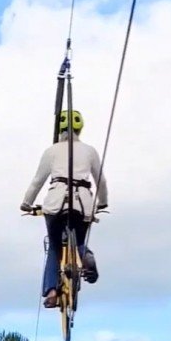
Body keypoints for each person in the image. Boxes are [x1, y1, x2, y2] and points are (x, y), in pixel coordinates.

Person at [20, 110, 108, 308]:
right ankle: (85, 256)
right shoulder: (90, 151)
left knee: (54, 245)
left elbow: (37, 181)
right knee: (80, 239)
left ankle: (51, 291)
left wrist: (26, 203)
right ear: (80, 128)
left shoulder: (51, 151)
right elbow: (100, 181)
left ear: (60, 129)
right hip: (82, 203)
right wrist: (102, 202)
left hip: (56, 202)